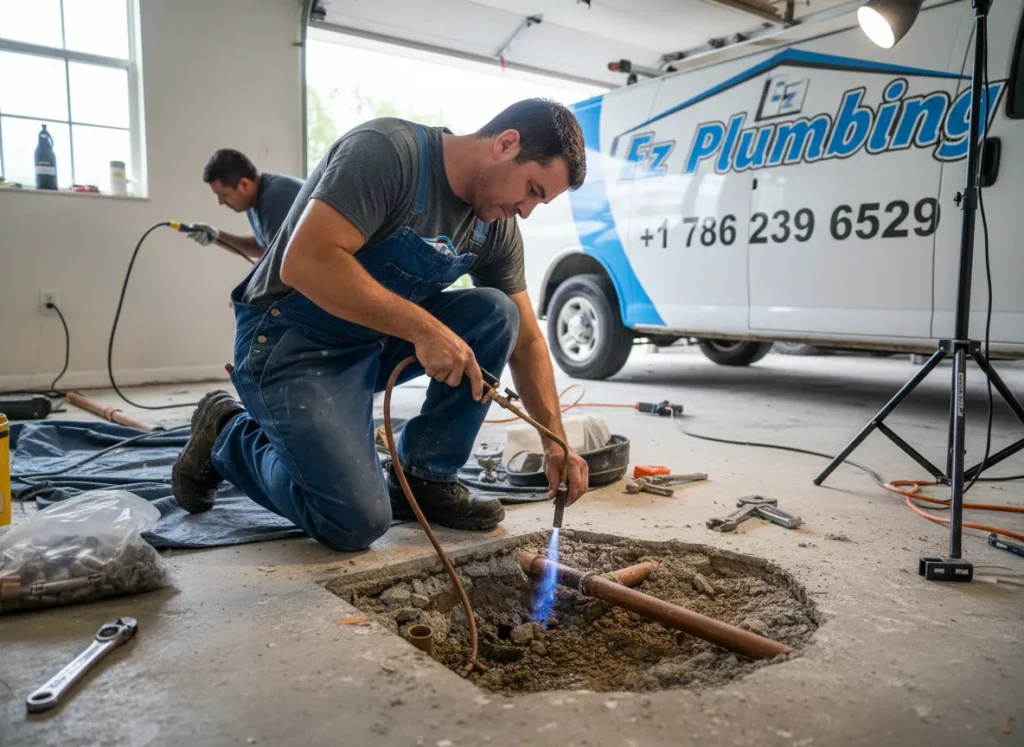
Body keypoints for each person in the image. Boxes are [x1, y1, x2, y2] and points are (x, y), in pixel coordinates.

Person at [171, 98, 591, 551]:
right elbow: (306, 263)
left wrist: (555, 441)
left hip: (371, 344)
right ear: (506, 144)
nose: (526, 210)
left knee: (497, 312)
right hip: (289, 343)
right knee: (355, 522)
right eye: (531, 189)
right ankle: (228, 432)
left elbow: (527, 340)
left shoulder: (495, 226)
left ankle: (425, 478)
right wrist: (425, 329)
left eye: (539, 201)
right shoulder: (388, 153)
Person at [188, 149, 304, 259]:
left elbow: (281, 261)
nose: (220, 202)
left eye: (224, 195)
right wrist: (217, 237)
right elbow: (260, 247)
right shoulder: (254, 199)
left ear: (244, 184)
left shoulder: (276, 197)